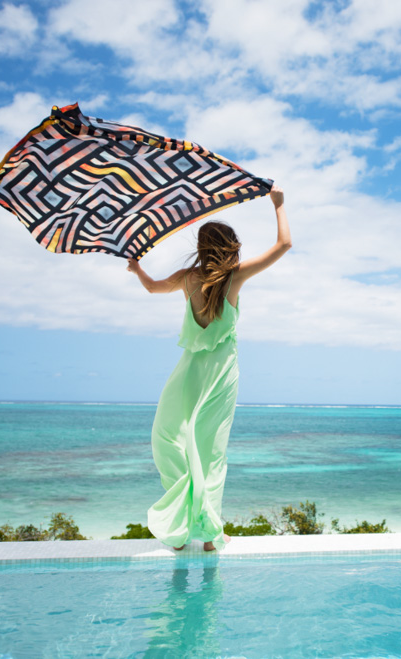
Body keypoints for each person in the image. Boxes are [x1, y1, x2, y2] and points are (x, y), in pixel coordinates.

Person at [127, 186, 291, 551]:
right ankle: (211, 535)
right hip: (221, 373)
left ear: (201, 248)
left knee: (173, 438)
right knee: (211, 450)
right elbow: (284, 245)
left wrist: (137, 267)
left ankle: (182, 526)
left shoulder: (188, 278)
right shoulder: (234, 277)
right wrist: (278, 205)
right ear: (230, 246)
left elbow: (153, 288)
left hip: (189, 372)